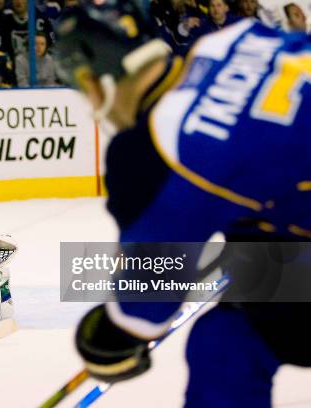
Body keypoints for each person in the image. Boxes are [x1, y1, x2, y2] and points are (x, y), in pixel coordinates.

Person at [54, 2, 311, 407]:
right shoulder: (228, 38)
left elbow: (144, 310)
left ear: (95, 80)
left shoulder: (151, 153)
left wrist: (108, 340)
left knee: (225, 345)